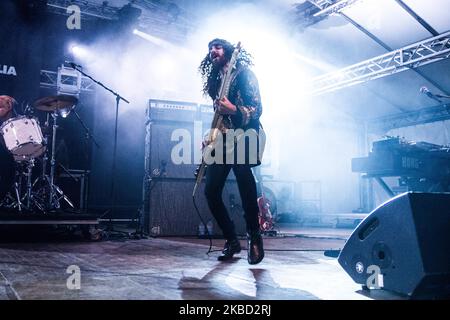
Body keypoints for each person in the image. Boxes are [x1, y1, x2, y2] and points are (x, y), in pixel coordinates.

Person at [199, 38, 265, 264]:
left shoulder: (245, 74)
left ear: (227, 50)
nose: (212, 51)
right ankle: (231, 240)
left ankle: (254, 236)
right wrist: (210, 137)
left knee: (244, 176)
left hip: (245, 134)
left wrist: (235, 109)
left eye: (216, 47)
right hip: (223, 139)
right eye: (209, 49)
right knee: (211, 190)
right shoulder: (216, 81)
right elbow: (219, 116)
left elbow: (258, 109)